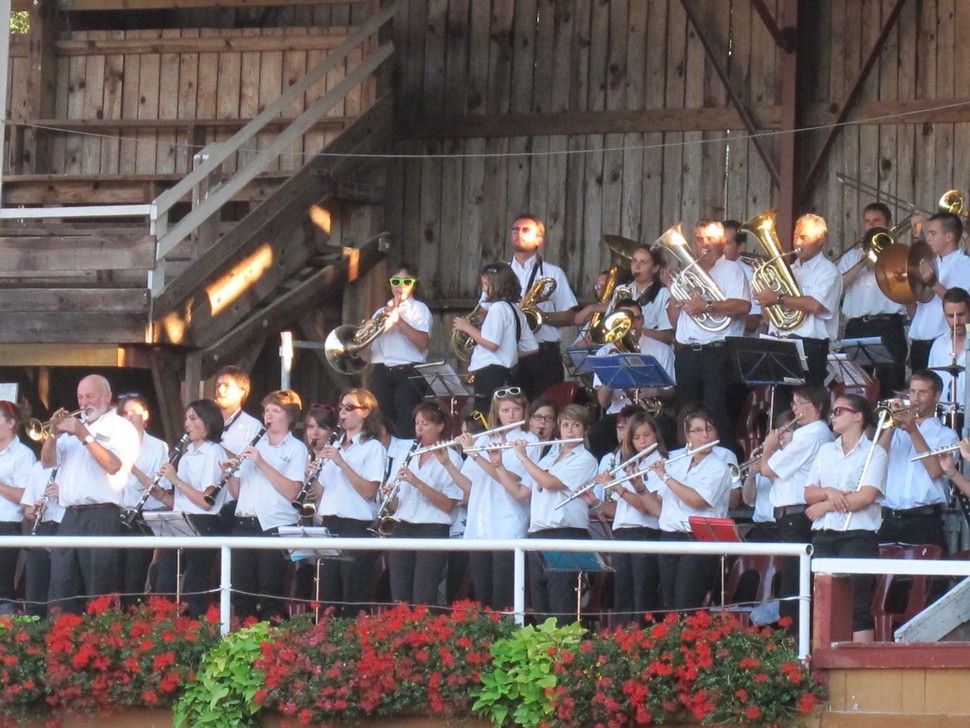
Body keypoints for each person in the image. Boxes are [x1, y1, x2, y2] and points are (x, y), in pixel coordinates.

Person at [42, 374, 140, 614]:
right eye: (80, 397)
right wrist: (52, 434)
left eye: (90, 396)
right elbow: (47, 462)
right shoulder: (71, 433)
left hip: (102, 516)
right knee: (62, 587)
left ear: (107, 397)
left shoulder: (121, 427)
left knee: (100, 589)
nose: (84, 402)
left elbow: (113, 466)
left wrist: (84, 435)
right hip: (70, 516)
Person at [504, 404, 599, 625]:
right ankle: (543, 653)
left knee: (561, 600)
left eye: (576, 425)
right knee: (540, 600)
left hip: (566, 533)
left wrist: (522, 457)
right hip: (539, 533)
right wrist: (497, 463)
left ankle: (564, 654)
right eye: (565, 425)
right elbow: (523, 491)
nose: (570, 430)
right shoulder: (549, 456)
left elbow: (549, 482)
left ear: (584, 429)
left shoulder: (585, 459)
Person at [805, 394, 888, 642]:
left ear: (858, 416)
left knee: (857, 606)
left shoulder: (876, 453)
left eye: (838, 411)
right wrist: (829, 492)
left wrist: (825, 506)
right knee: (824, 605)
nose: (832, 416)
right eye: (832, 411)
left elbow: (865, 496)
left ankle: (861, 669)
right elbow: (809, 492)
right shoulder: (826, 450)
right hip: (825, 535)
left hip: (858, 535)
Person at [669, 220, 751, 452]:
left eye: (710, 239)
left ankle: (724, 467)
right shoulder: (688, 272)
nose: (704, 245)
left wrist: (706, 305)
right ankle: (687, 461)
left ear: (722, 242)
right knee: (685, 413)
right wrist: (673, 294)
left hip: (717, 353)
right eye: (699, 239)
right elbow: (676, 321)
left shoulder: (731, 269)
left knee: (716, 415)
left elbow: (743, 306)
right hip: (686, 353)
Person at [228, 390, 308, 621]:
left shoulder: (296, 449)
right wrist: (230, 474)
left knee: (269, 592)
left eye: (276, 411)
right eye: (266, 411)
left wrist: (261, 462)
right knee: (242, 592)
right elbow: (237, 493)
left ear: (289, 417)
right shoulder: (253, 444)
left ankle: (271, 648)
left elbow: (293, 492)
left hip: (274, 526)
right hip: (244, 523)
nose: (268, 415)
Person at [458, 387, 535, 610]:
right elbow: (469, 486)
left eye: (516, 409)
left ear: (523, 412)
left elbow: (509, 479)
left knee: (504, 596)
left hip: (506, 524)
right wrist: (445, 462)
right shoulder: (485, 439)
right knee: (482, 595)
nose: (511, 415)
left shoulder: (526, 440)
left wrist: (475, 455)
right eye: (505, 410)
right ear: (497, 413)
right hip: (480, 526)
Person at [649, 407, 733, 610]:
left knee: (686, 604)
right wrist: (637, 487)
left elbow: (697, 500)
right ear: (688, 436)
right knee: (670, 604)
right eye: (697, 430)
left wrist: (666, 477)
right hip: (669, 537)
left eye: (709, 429)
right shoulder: (676, 462)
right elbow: (659, 506)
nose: (705, 435)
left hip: (697, 539)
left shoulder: (718, 467)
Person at [315, 388, 387, 617]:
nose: (343, 413)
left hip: (356, 526)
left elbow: (369, 491)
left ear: (365, 411)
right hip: (330, 524)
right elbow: (321, 493)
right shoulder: (334, 447)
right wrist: (313, 474)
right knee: (328, 595)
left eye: (349, 408)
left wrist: (342, 464)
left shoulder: (373, 448)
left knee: (353, 594)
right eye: (341, 408)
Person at [385, 402, 463, 606]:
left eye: (426, 424)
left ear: (440, 427)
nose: (419, 429)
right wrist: (389, 495)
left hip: (432, 529)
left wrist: (416, 482)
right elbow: (396, 506)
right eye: (417, 423)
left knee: (424, 593)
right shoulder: (407, 454)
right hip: (402, 526)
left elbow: (448, 505)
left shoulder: (451, 458)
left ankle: (423, 636)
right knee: (399, 593)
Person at [154, 399, 227, 618]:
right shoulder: (186, 456)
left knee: (196, 584)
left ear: (208, 421)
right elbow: (179, 499)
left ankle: (197, 631)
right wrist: (156, 492)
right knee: (165, 581)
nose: (187, 424)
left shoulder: (214, 452)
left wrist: (175, 480)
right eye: (186, 418)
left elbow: (206, 500)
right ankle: (164, 631)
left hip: (204, 524)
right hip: (181, 520)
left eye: (193, 418)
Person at [754, 213, 842, 391]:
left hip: (810, 347)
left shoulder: (828, 271)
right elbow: (769, 314)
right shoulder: (789, 270)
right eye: (796, 236)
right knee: (780, 403)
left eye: (804, 237)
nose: (798, 242)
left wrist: (778, 298)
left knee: (806, 404)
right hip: (781, 342)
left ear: (820, 239)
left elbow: (815, 305)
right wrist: (764, 293)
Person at [594, 409, 665, 625]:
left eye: (646, 435)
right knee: (623, 594)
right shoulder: (631, 465)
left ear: (656, 435)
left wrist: (618, 488)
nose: (642, 442)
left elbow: (646, 507)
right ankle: (622, 641)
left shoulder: (660, 464)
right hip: (623, 531)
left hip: (645, 533)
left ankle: (640, 644)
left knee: (642, 595)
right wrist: (595, 502)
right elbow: (621, 510)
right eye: (636, 437)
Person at [876, 370, 957, 550]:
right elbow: (875, 462)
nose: (915, 398)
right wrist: (890, 426)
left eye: (922, 392)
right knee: (883, 577)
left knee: (922, 577)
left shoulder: (946, 435)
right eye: (912, 391)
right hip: (889, 518)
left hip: (924, 520)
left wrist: (913, 430)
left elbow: (936, 471)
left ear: (936, 396)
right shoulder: (896, 433)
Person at [506, 214, 581, 399]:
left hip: (544, 355)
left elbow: (571, 316)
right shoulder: (501, 272)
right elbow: (484, 311)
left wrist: (542, 316)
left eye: (525, 230)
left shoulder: (553, 272)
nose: (518, 233)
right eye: (515, 229)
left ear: (539, 239)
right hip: (510, 352)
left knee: (547, 410)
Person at [838, 203, 909, 397]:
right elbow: (837, 288)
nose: (871, 225)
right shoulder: (851, 257)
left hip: (889, 326)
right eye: (867, 222)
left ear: (888, 224)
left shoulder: (900, 255)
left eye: (876, 221)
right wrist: (862, 263)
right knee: (854, 389)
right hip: (856, 327)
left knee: (891, 388)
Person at [453, 262, 537, 413]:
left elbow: (491, 343)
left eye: (486, 284)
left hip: (489, 376)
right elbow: (532, 348)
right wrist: (508, 353)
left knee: (485, 419)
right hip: (507, 374)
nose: (484, 289)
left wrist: (466, 327)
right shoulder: (516, 310)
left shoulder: (497, 308)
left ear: (497, 285)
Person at [365, 263, 432, 438]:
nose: (400, 285)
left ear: (414, 284)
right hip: (382, 370)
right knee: (381, 424)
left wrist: (399, 321)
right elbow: (367, 346)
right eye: (396, 281)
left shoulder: (420, 309)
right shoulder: (381, 311)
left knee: (406, 425)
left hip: (408, 372)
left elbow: (422, 343)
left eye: (406, 281)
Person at [117, 393, 169, 608]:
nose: (129, 417)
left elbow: (161, 489)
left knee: (134, 578)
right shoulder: (113, 444)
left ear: (145, 415)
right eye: (125, 413)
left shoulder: (159, 447)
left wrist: (134, 469)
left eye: (134, 413)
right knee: (113, 577)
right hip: (116, 513)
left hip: (142, 518)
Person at [909, 212, 970, 372]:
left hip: (941, 344)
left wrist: (933, 282)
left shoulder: (965, 265)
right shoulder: (929, 262)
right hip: (918, 343)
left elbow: (958, 303)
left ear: (949, 236)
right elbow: (919, 310)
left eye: (932, 233)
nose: (927, 238)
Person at [0, 401, 37, 613]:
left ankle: (6, 639)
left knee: (3, 587)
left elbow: (25, 495)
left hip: (7, 524)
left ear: (11, 422)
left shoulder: (23, 455)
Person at [21, 461, 63, 618]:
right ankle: (33, 635)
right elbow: (27, 511)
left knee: (60, 590)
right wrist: (33, 510)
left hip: (65, 528)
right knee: (35, 590)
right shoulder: (39, 467)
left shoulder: (76, 468)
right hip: (43, 527)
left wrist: (63, 492)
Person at [928, 287, 969, 414]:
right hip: (942, 416)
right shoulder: (938, 345)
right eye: (951, 316)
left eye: (961, 315)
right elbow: (930, 382)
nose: (956, 322)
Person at [722, 219, 763, 333]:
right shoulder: (706, 270)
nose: (720, 247)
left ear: (741, 247)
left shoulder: (751, 275)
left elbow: (753, 321)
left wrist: (711, 310)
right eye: (718, 242)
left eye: (727, 243)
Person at [628, 245, 673, 344]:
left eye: (643, 262)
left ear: (655, 268)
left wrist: (631, 331)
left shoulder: (663, 294)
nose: (637, 267)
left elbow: (667, 335)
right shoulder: (621, 290)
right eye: (634, 261)